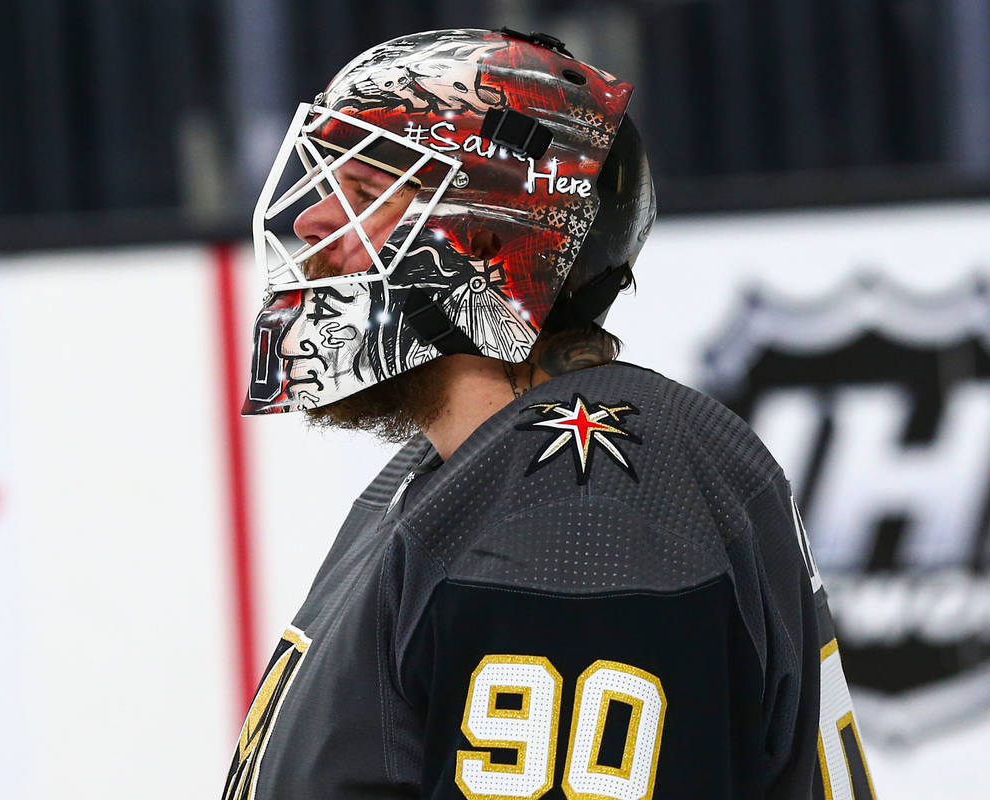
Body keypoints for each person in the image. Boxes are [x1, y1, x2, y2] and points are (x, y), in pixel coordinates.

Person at [223, 28, 876, 800]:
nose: (311, 225)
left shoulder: (579, 501)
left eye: (364, 194)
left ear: (484, 236)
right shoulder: (468, 473)